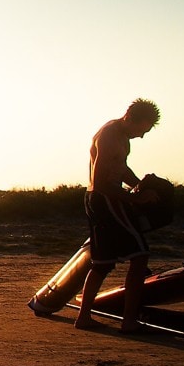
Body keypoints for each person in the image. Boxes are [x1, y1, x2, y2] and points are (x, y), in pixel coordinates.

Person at [74, 98, 161, 333]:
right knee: (140, 253)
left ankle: (84, 318)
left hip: (106, 199)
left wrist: (139, 185)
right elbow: (102, 181)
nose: (142, 136)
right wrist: (135, 198)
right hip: (105, 200)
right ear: (129, 118)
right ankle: (129, 321)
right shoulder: (110, 136)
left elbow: (121, 169)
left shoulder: (121, 135)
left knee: (103, 262)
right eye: (141, 129)